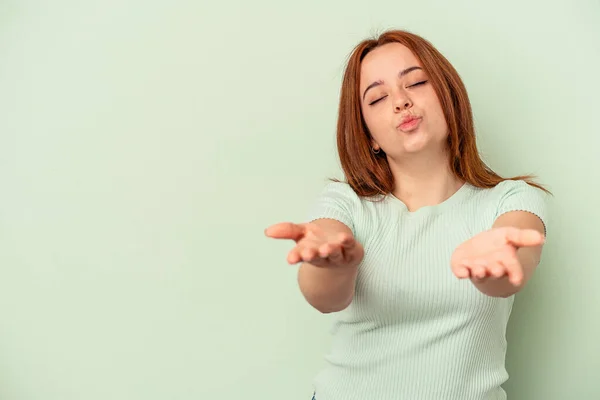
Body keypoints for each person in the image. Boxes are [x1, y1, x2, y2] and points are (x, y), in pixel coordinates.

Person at [265, 29, 550, 400]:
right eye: (378, 98)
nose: (401, 102)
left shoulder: (511, 200)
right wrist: (332, 264)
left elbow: (511, 272)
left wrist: (494, 266)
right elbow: (324, 298)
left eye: (415, 83)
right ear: (369, 135)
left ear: (449, 96)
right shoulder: (344, 203)